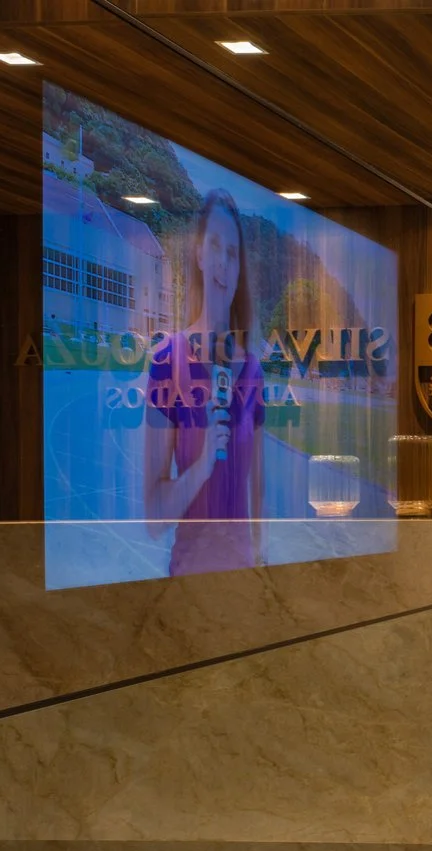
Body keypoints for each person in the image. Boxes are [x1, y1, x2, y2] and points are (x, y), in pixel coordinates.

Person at [143, 190, 265, 576]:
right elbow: (154, 519)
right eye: (215, 245)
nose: (223, 263)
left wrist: (262, 564)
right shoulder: (167, 362)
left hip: (244, 582)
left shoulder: (252, 371)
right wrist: (201, 464)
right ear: (197, 254)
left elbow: (258, 493)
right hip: (190, 583)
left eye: (233, 253)